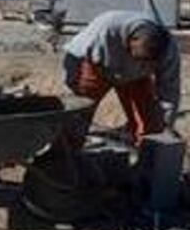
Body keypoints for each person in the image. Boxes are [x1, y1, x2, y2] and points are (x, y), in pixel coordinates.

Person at [62, 10, 180, 145]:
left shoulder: (169, 51)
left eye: (146, 62)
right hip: (98, 67)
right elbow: (74, 54)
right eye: (138, 59)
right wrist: (74, 90)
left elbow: (170, 89)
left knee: (150, 123)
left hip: (136, 78)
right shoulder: (106, 29)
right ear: (129, 40)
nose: (140, 64)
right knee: (78, 115)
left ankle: (146, 154)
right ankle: (66, 152)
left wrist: (166, 123)